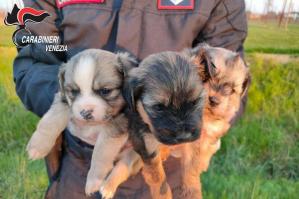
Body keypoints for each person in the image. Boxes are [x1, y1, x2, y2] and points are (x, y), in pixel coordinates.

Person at [13, 0, 248, 198]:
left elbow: (230, 75)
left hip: (170, 169)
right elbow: (34, 61)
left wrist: (210, 125)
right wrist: (73, 105)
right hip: (79, 167)